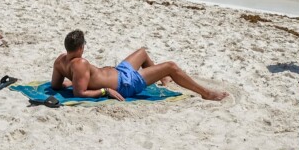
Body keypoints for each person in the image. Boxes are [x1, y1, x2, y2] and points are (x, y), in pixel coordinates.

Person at [51, 29, 227, 101]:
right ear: (81, 48)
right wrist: (106, 91)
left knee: (142, 52)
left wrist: (72, 81)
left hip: (119, 72)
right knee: (171, 66)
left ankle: (164, 79)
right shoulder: (80, 63)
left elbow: (55, 85)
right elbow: (79, 93)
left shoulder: (60, 60)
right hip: (124, 84)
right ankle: (206, 93)